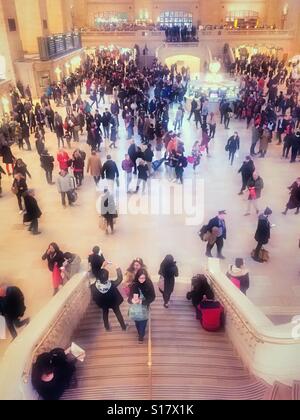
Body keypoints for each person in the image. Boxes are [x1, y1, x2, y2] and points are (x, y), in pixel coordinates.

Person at [91, 264, 127, 332]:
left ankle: (107, 328)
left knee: (105, 314)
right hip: (113, 302)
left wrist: (102, 267)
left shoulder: (94, 286)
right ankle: (123, 327)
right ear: (107, 277)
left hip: (104, 304)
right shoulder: (112, 284)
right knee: (118, 313)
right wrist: (117, 268)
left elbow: (98, 277)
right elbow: (120, 278)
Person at [128, 269, 156, 343]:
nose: (141, 280)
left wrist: (142, 301)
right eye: (140, 278)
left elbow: (152, 297)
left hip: (144, 306)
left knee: (143, 322)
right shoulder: (134, 284)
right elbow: (129, 297)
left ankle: (141, 335)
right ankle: (140, 332)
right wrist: (132, 300)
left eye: (143, 278)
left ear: (146, 277)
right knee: (137, 322)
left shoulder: (149, 284)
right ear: (137, 277)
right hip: (135, 308)